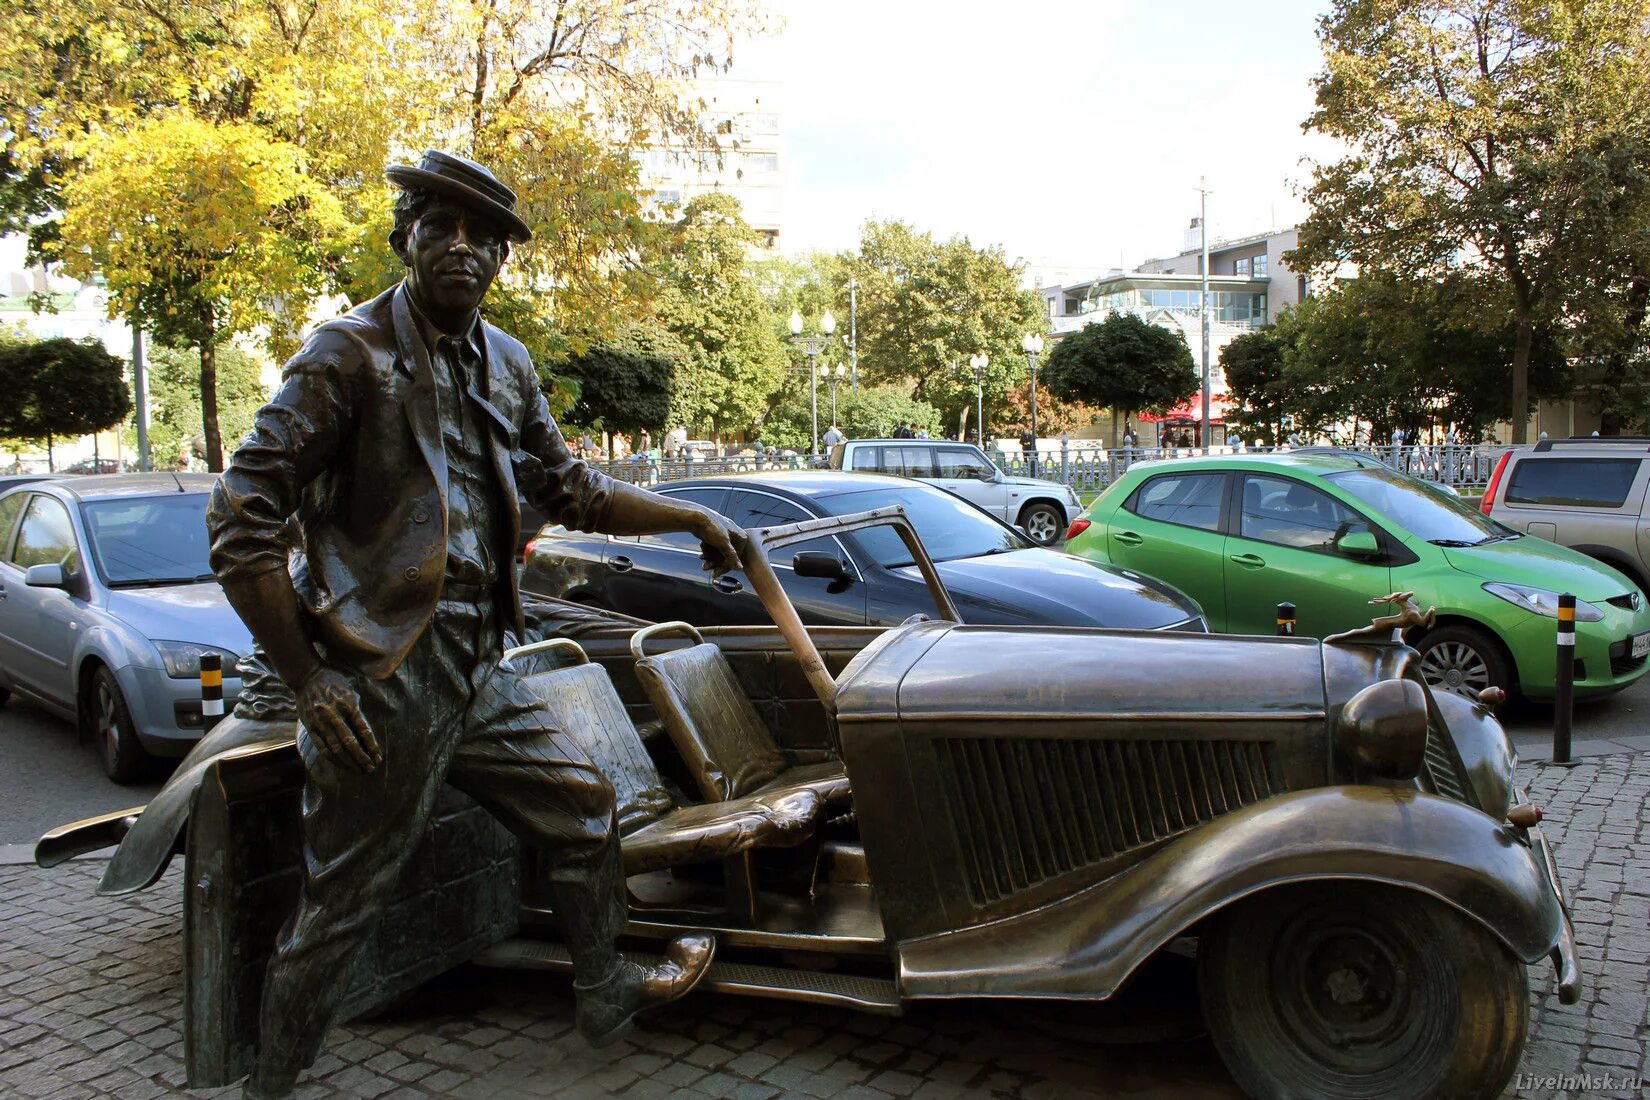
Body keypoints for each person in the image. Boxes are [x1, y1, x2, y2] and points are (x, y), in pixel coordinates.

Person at [207, 151, 736, 1099]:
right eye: (440, 227)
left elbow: (569, 488)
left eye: (483, 236)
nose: (462, 247)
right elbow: (241, 514)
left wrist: (692, 515)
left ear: (500, 258)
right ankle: (270, 1088)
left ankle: (606, 991)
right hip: (380, 673)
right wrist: (307, 677)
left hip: (479, 657)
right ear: (404, 235)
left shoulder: (509, 361)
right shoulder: (346, 354)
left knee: (581, 810)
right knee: (341, 908)